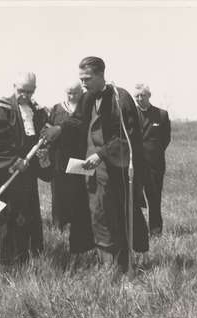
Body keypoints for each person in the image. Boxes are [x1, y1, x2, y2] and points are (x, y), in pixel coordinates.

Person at [42, 57, 149, 272]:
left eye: (87, 79)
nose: (83, 84)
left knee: (112, 217)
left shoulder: (121, 98)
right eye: (81, 79)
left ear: (101, 75)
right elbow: (78, 121)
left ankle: (118, 267)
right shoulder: (88, 97)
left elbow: (127, 137)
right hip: (90, 173)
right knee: (95, 216)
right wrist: (59, 130)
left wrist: (101, 154)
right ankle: (104, 264)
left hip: (113, 172)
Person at [0, 72, 51, 267]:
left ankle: (33, 258)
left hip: (28, 176)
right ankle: (12, 264)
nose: (25, 95)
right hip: (8, 175)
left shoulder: (37, 110)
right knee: (12, 218)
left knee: (30, 215)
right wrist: (13, 161)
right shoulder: (1, 111)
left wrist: (43, 150)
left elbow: (40, 138)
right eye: (21, 91)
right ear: (13, 86)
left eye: (30, 91)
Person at [47, 81, 94, 255]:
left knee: (80, 193)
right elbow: (48, 129)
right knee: (58, 192)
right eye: (69, 93)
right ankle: (59, 224)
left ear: (81, 92)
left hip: (80, 158)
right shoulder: (57, 109)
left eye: (75, 93)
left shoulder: (86, 109)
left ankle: (79, 225)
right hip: (59, 158)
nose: (72, 96)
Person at [134, 83, 171, 236]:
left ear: (149, 95)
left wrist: (153, 152)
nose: (139, 98)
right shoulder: (130, 114)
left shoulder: (161, 114)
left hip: (154, 166)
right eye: (136, 96)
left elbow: (165, 139)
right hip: (134, 165)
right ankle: (136, 231)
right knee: (133, 200)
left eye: (142, 95)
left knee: (154, 200)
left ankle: (155, 232)